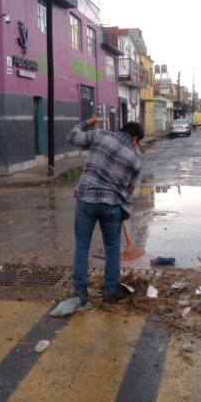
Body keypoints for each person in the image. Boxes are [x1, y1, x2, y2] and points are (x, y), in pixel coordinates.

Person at [67, 117, 143, 305]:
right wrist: (123, 211)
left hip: (87, 201)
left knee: (82, 246)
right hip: (112, 206)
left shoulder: (100, 135)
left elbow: (72, 137)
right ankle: (110, 294)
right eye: (138, 141)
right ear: (135, 138)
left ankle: (79, 293)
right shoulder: (135, 158)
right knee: (112, 249)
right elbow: (129, 191)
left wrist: (86, 123)